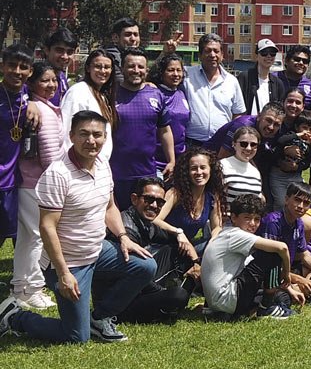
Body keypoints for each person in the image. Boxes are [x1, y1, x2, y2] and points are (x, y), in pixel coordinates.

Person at [0, 111, 156, 344]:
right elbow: (47, 227)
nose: (91, 141)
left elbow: (110, 207)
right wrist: (64, 274)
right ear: (71, 136)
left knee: (146, 266)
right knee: (76, 337)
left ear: (105, 138)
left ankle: (100, 317)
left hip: (96, 251)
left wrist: (123, 236)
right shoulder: (57, 174)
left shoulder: (102, 164)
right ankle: (14, 317)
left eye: (97, 135)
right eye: (83, 134)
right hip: (67, 262)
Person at [12, 61, 65, 309]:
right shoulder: (40, 111)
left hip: (32, 182)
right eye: (45, 80)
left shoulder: (42, 107)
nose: (51, 85)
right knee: (35, 237)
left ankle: (23, 287)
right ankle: (30, 289)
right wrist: (61, 180)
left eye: (54, 80)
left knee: (28, 237)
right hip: (37, 184)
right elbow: (49, 154)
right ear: (32, 83)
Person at [200, 193, 298, 321]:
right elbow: (282, 248)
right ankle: (266, 309)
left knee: (282, 297)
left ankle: (227, 312)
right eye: (247, 218)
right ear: (233, 217)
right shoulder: (236, 235)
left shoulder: (226, 232)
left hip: (217, 301)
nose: (252, 224)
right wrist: (286, 274)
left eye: (257, 219)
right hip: (227, 299)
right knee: (272, 254)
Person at [113, 177, 196, 322]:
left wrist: (196, 262)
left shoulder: (145, 222)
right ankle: (167, 309)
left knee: (180, 249)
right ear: (134, 199)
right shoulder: (126, 229)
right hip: (122, 300)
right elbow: (134, 274)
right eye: (149, 199)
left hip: (141, 285)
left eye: (160, 202)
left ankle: (168, 307)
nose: (154, 205)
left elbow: (171, 240)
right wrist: (163, 294)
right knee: (178, 295)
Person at [110, 48, 175, 207]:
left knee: (145, 217)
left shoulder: (155, 94)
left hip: (146, 172)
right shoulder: (110, 94)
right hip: (116, 172)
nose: (136, 71)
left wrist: (172, 160)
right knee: (116, 220)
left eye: (141, 67)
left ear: (146, 70)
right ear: (122, 68)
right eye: (131, 66)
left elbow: (165, 130)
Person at [257, 182, 311, 303]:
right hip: (269, 276)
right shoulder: (272, 223)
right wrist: (300, 280)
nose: (301, 206)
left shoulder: (299, 224)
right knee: (288, 294)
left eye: (306, 203)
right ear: (286, 200)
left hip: (288, 271)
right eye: (297, 200)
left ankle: (306, 286)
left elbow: (303, 255)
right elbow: (268, 266)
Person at [153, 149, 225, 261]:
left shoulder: (212, 197)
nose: (199, 172)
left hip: (193, 246)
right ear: (187, 172)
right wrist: (178, 232)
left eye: (203, 167)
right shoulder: (175, 193)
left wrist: (213, 242)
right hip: (167, 246)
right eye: (193, 168)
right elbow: (156, 219)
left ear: (211, 170)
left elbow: (217, 227)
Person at [183, 33, 245, 145]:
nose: (212, 55)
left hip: (220, 144)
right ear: (200, 55)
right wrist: (166, 53)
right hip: (191, 142)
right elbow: (159, 75)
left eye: (216, 51)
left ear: (222, 55)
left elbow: (238, 114)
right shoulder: (187, 75)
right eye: (208, 51)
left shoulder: (232, 81)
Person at [0, 44, 32, 247]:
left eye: (23, 67)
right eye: (12, 65)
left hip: (13, 180)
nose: (17, 72)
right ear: (2, 66)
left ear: (30, 71)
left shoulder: (29, 94)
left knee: (9, 232)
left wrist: (35, 103)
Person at [60, 49, 116, 161]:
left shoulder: (102, 96)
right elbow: (67, 132)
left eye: (107, 67)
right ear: (88, 68)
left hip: (98, 165)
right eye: (98, 66)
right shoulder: (78, 92)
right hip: (79, 165)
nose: (103, 71)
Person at [206, 102, 285, 177]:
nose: (271, 127)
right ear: (259, 116)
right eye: (268, 120)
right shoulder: (242, 125)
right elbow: (222, 157)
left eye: (276, 124)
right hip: (210, 163)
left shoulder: (274, 132)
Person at [149, 53, 190, 177]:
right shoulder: (154, 93)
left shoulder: (181, 93)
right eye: (171, 70)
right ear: (162, 73)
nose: (176, 74)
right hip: (157, 158)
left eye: (179, 70)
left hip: (180, 158)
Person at [237, 38, 287, 114]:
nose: (269, 56)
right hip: (247, 124)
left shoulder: (277, 83)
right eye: (264, 53)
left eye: (272, 53)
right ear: (256, 55)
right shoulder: (244, 78)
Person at [221, 126, 264, 205]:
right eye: (243, 144)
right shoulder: (222, 165)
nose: (248, 148)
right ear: (234, 144)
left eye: (253, 145)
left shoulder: (255, 172)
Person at [103, 17, 141, 85]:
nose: (133, 39)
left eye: (136, 34)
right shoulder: (109, 58)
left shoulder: (134, 57)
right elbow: (125, 83)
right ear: (115, 38)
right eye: (128, 34)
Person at [43, 28, 77, 106]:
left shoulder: (62, 77)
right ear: (47, 50)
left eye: (69, 52)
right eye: (59, 50)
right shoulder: (34, 77)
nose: (65, 56)